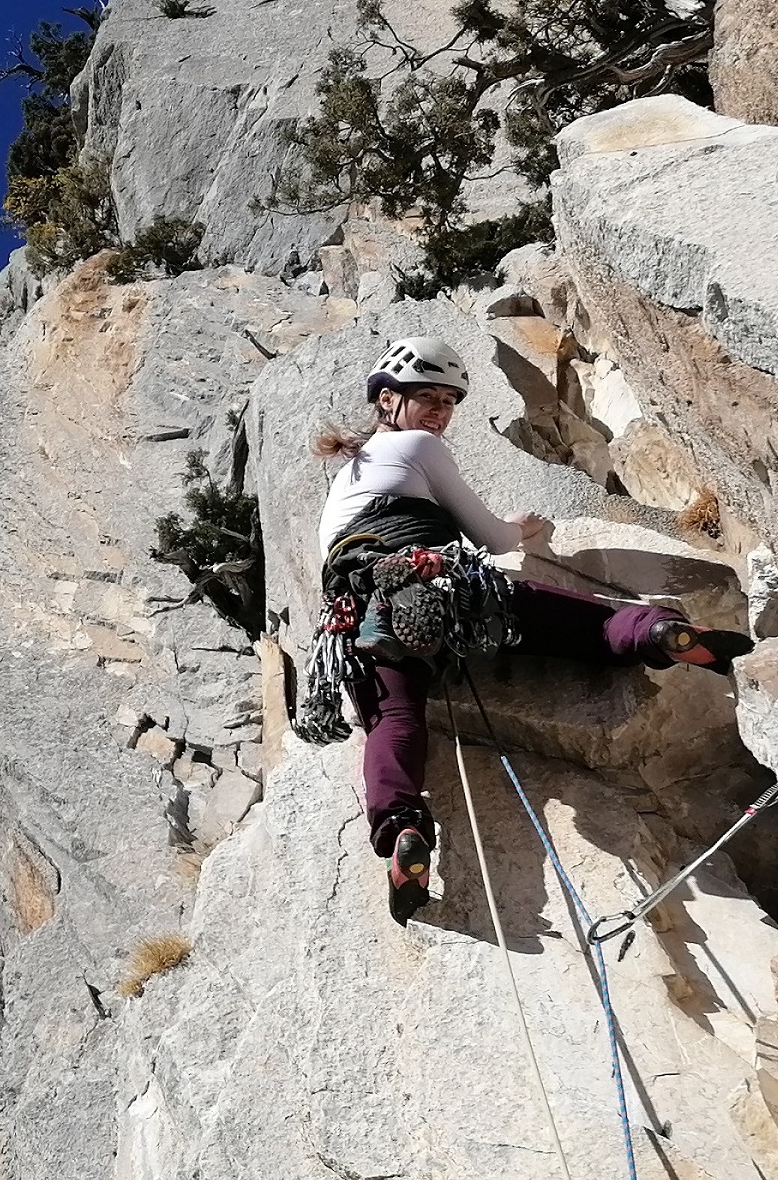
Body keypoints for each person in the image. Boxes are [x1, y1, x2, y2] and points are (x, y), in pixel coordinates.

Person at [318, 335, 749, 922]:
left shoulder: (342, 484)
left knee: (393, 720)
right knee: (567, 621)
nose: (441, 413)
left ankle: (400, 832)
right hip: (432, 580)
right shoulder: (416, 446)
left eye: (449, 401)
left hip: (356, 616)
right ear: (389, 401)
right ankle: (659, 634)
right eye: (429, 398)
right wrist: (520, 526)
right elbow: (491, 540)